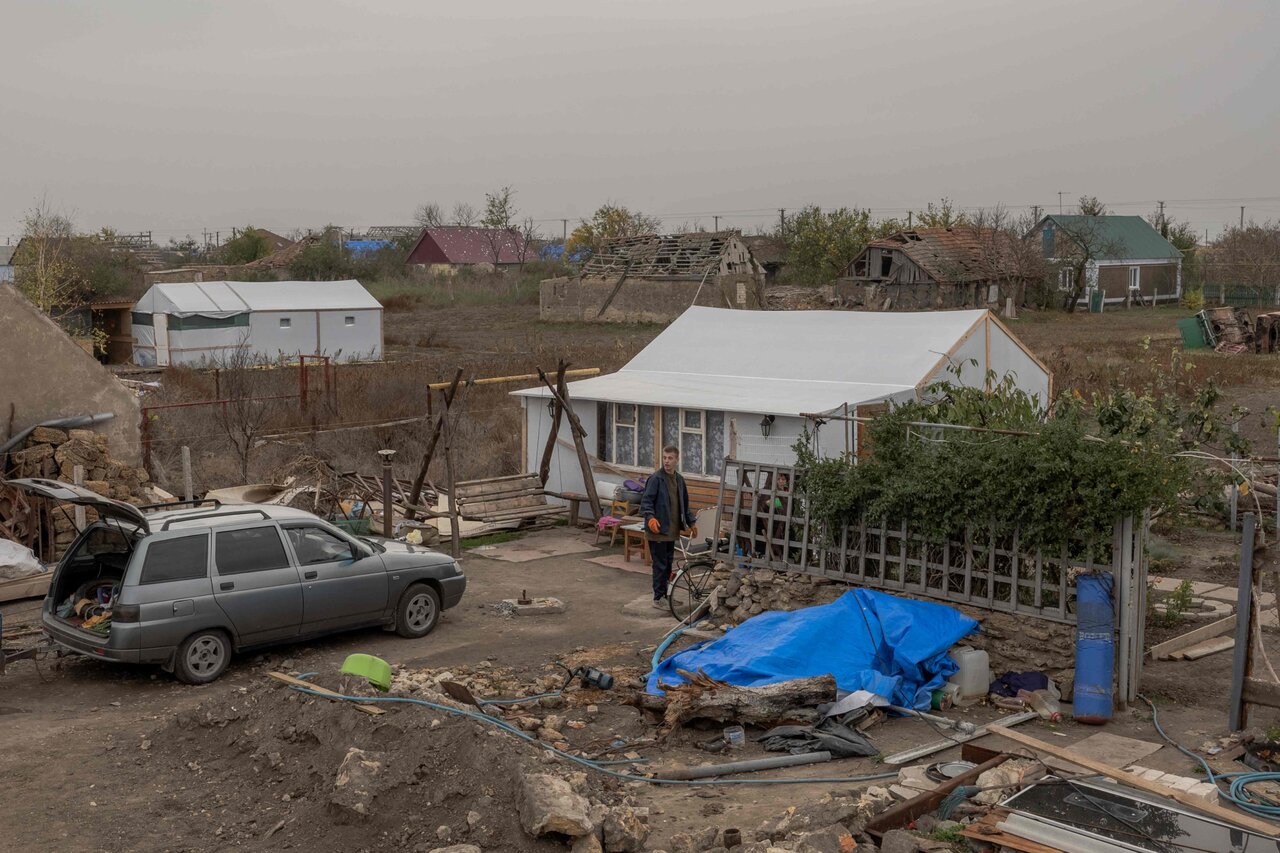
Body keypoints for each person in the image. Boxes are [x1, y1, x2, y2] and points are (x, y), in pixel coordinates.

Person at [640, 445, 696, 608]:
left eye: (670, 458)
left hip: (671, 531)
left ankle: (666, 596)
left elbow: (684, 504)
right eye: (664, 458)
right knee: (660, 564)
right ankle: (658, 598)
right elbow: (646, 501)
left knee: (668, 564)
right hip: (657, 531)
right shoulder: (656, 479)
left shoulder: (679, 480)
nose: (667, 461)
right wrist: (650, 518)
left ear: (677, 460)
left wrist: (691, 522)